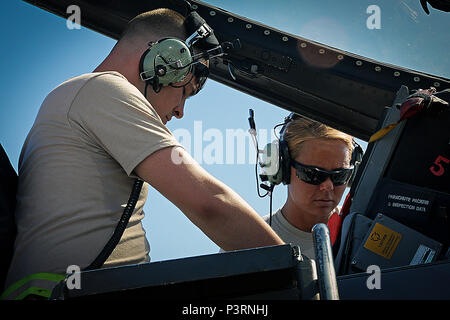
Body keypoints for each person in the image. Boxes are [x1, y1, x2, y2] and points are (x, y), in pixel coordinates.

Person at [3, 8, 283, 298]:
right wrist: (295, 273)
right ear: (163, 60)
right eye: (185, 91)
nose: (180, 111)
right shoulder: (104, 90)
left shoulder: (76, 96)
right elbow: (210, 205)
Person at [261, 114, 356, 261]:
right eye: (313, 174)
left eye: (340, 175)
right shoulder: (247, 241)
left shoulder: (364, 236)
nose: (328, 186)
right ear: (282, 168)